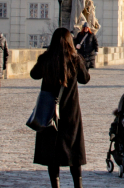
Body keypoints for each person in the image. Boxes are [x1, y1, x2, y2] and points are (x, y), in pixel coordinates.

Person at [31, 28, 91, 188]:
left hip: (50, 112)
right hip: (70, 112)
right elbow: (85, 79)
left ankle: (55, 185)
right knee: (74, 152)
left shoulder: (46, 58)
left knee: (52, 152)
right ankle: (78, 185)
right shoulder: (75, 59)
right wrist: (82, 58)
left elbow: (34, 74)